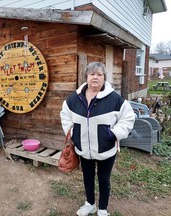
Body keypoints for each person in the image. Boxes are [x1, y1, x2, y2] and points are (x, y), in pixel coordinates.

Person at [60, 62, 135, 216]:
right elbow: (65, 116)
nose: (95, 77)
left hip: (106, 149)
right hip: (84, 149)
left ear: (104, 78)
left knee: (104, 178)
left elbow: (128, 119)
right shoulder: (75, 98)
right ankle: (90, 204)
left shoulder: (115, 99)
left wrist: (113, 134)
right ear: (86, 77)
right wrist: (72, 133)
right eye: (92, 74)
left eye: (99, 74)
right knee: (87, 177)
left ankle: (102, 208)